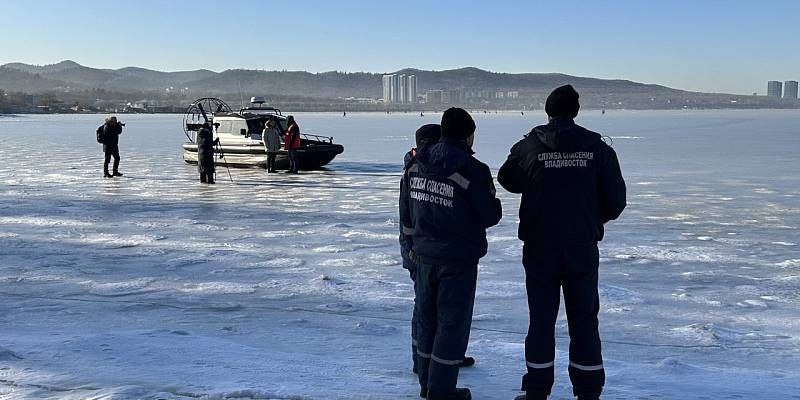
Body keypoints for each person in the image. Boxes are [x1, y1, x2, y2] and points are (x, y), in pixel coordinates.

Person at [497, 85, 627, 400]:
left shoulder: (530, 145)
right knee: (584, 320)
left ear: (548, 111)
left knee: (541, 320)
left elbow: (506, 179)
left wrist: (537, 170)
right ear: (576, 111)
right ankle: (588, 390)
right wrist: (590, 217)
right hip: (581, 247)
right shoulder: (596, 147)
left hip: (540, 247)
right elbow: (616, 201)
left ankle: (537, 389)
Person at [400, 108, 502, 400]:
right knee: (451, 325)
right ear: (468, 135)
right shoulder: (471, 169)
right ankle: (441, 390)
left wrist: (412, 249)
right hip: (457, 258)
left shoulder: (416, 164)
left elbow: (407, 212)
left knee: (426, 319)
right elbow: (488, 214)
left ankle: (426, 382)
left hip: (424, 255)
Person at [399, 124, 476, 378]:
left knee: (427, 309)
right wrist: (411, 251)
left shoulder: (418, 166)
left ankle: (431, 359)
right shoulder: (417, 169)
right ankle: (422, 361)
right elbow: (407, 216)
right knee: (425, 310)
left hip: (421, 246)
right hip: (420, 249)